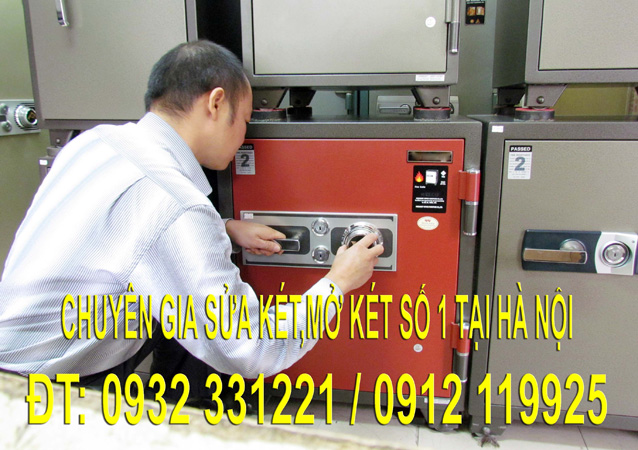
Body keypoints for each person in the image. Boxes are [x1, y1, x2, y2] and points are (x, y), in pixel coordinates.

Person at [0, 41, 383, 402]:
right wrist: (337, 283)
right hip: (43, 388)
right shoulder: (176, 205)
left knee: (186, 312)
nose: (244, 137)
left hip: (15, 348)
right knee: (211, 333)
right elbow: (250, 349)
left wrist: (223, 228)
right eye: (245, 120)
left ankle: (181, 407)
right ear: (216, 103)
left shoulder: (96, 142)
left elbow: (125, 233)